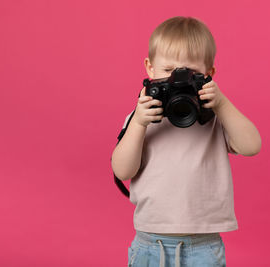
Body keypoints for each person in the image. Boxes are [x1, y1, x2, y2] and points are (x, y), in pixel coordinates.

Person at [111, 16, 261, 267]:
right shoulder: (142, 118)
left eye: (191, 73)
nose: (177, 80)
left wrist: (221, 103)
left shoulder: (215, 118)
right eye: (168, 71)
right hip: (150, 243)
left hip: (203, 245)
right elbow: (122, 170)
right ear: (150, 68)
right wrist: (137, 123)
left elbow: (251, 146)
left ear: (209, 74)